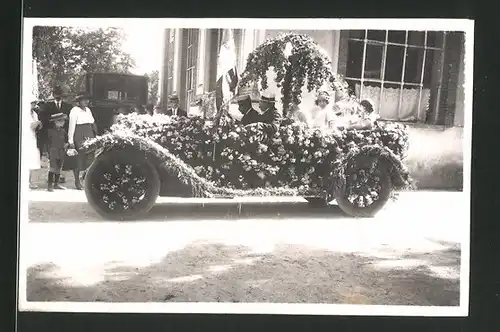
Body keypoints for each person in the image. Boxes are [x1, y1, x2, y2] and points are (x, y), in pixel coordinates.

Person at [39, 86, 72, 183]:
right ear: (53, 95)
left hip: (63, 135)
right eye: (56, 94)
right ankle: (50, 180)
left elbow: (69, 122)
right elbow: (43, 118)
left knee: (61, 159)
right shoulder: (46, 106)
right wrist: (54, 118)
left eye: (59, 95)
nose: (58, 96)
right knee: (52, 159)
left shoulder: (68, 106)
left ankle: (59, 179)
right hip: (51, 136)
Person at [68, 92, 97, 190]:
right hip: (79, 135)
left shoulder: (88, 110)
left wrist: (96, 135)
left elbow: (92, 123)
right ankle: (77, 181)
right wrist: (70, 141)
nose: (86, 101)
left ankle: (87, 179)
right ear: (79, 101)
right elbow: (71, 126)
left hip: (89, 135)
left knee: (90, 158)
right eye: (84, 100)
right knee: (78, 159)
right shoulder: (74, 111)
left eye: (87, 100)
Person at [46, 113, 68, 192]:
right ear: (55, 122)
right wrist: (47, 152)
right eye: (61, 121)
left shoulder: (63, 131)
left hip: (61, 151)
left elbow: (65, 140)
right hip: (53, 151)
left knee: (59, 168)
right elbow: (48, 142)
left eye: (63, 121)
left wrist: (66, 145)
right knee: (52, 168)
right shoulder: (50, 131)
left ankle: (56, 184)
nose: (63, 122)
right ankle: (49, 185)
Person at [28, 100, 43, 189]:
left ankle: (29, 181)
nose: (34, 105)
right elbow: (30, 126)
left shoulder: (34, 113)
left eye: (34, 103)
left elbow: (38, 127)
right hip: (25, 136)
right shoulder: (24, 112)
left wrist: (39, 124)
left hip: (32, 137)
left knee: (31, 159)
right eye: (32, 103)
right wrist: (37, 123)